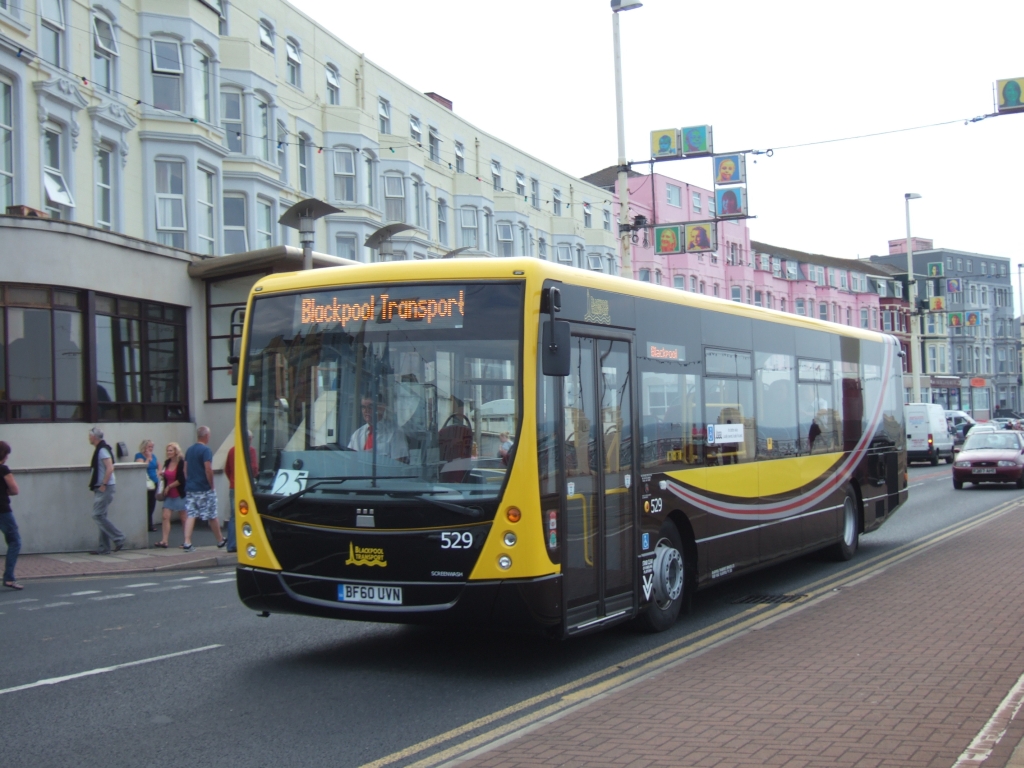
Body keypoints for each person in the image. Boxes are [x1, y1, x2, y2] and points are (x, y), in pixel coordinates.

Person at [182, 426, 225, 552]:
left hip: (191, 488)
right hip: (204, 488)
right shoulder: (206, 450)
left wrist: (189, 481)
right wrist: (211, 485)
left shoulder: (189, 450)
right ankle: (220, 540)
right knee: (212, 514)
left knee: (191, 514)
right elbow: (208, 468)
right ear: (206, 436)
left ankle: (187, 542)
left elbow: (185, 469)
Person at [88, 427, 125, 555]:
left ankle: (119, 537)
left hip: (105, 487)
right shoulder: (100, 449)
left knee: (97, 515)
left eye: (90, 435)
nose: (88, 438)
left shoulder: (102, 450)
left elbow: (110, 468)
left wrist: (103, 484)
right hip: (102, 486)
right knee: (102, 516)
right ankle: (104, 548)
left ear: (94, 437)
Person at [224, 431, 258, 554]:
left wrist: (232, 481)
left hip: (233, 487)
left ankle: (231, 545)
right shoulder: (251, 451)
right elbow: (254, 468)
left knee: (234, 517)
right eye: (251, 438)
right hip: (246, 487)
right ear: (248, 439)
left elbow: (227, 469)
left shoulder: (232, 450)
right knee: (248, 515)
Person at [348, 396, 409, 462]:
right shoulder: (357, 435)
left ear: (382, 408)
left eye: (370, 407)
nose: (366, 411)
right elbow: (350, 462)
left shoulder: (395, 433)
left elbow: (399, 465)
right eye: (363, 407)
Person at [154, 442, 186, 549]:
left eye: (171, 450)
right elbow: (165, 474)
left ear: (176, 451)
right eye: (167, 450)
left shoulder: (181, 463)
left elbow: (182, 479)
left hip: (179, 493)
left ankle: (186, 541)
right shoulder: (167, 462)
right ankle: (164, 540)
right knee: (165, 516)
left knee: (183, 518)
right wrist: (161, 474)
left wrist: (169, 486)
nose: (168, 452)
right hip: (169, 495)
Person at [0, 441, 22, 590]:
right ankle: (8, 578)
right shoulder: (3, 469)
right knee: (15, 541)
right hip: (2, 510)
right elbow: (15, 490)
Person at [135, 439, 159, 531]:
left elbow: (158, 464)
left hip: (154, 481)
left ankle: (150, 523)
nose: (151, 449)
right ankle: (146, 524)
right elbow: (142, 467)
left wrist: (159, 472)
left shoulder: (154, 456)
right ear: (144, 447)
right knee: (146, 504)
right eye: (149, 446)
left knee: (152, 503)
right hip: (146, 482)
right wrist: (148, 458)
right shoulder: (139, 456)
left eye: (152, 447)